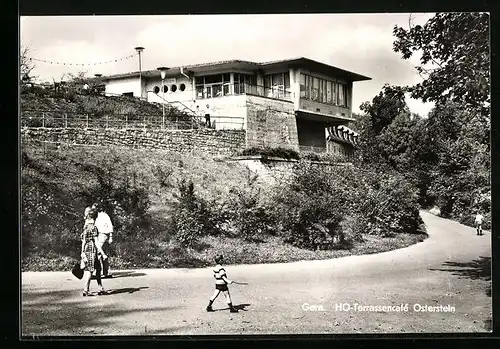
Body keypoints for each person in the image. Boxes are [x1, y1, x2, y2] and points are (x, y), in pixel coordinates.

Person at [81, 208, 107, 296]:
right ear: (96, 218)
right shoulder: (94, 228)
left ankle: (100, 288)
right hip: (92, 250)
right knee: (90, 270)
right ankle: (85, 289)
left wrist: (82, 252)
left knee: (98, 268)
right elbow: (96, 242)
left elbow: (84, 241)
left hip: (87, 249)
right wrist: (103, 253)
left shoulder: (86, 227)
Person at [93, 202, 114, 278]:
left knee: (98, 252)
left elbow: (110, 225)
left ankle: (96, 272)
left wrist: (111, 237)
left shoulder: (104, 215)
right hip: (100, 235)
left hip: (104, 235)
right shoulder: (97, 216)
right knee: (103, 253)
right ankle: (107, 272)